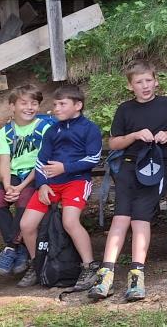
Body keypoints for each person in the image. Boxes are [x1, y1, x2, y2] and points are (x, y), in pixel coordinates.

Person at [88, 60, 167, 301]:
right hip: (128, 166)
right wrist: (134, 135)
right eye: (139, 82)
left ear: (156, 81)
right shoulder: (125, 109)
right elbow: (114, 143)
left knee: (140, 216)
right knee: (121, 216)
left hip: (158, 167)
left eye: (148, 80)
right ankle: (106, 274)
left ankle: (137, 274)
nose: (145, 86)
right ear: (130, 86)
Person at [16, 85, 101, 290]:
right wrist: (42, 184)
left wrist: (65, 167)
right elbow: (40, 161)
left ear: (78, 105)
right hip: (51, 185)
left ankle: (89, 267)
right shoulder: (52, 130)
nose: (56, 109)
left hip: (77, 181)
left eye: (62, 104)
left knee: (70, 221)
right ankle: (38, 265)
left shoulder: (89, 128)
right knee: (26, 225)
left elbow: (94, 158)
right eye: (55, 104)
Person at [0, 85, 53, 277]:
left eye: (34, 103)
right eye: (23, 103)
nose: (29, 107)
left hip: (37, 175)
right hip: (15, 176)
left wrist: (21, 186)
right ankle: (21, 247)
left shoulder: (44, 128)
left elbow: (42, 161)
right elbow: (4, 161)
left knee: (24, 199)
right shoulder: (5, 132)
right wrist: (8, 185)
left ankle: (10, 247)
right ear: (12, 106)